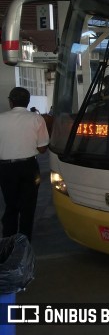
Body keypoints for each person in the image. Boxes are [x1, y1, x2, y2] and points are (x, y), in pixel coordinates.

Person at [0, 87, 49, 241]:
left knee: (10, 205)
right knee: (28, 207)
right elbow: (42, 149)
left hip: (5, 169)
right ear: (28, 102)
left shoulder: (1, 118)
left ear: (10, 102)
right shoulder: (36, 119)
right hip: (29, 168)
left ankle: (8, 242)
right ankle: (24, 242)